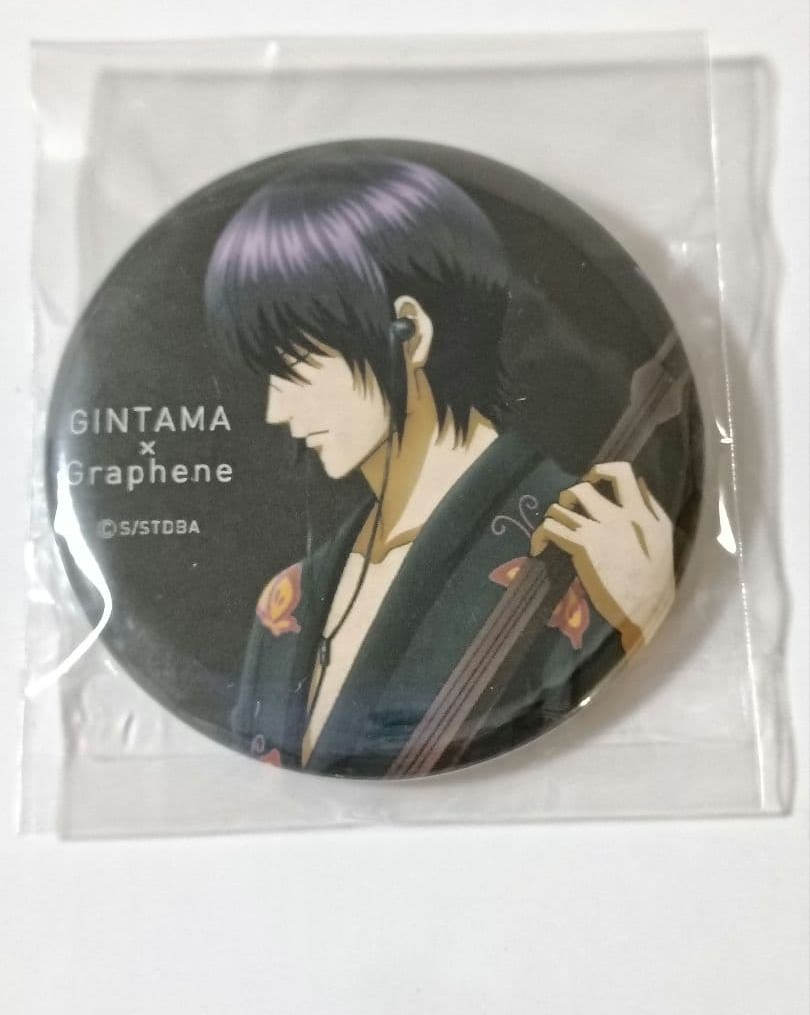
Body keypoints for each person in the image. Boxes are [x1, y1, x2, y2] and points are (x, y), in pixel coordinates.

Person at [204, 153, 675, 776]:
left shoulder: (595, 554)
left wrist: (646, 614)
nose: (275, 410)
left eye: (295, 368)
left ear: (409, 331)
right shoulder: (288, 604)